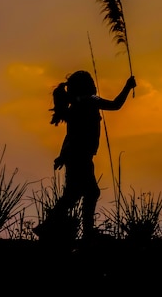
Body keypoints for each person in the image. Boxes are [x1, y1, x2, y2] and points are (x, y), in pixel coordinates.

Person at [34, 70, 136, 240]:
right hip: (81, 156)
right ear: (88, 86)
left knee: (74, 194)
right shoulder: (90, 101)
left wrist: (62, 156)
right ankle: (85, 231)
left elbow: (70, 135)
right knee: (90, 192)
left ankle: (49, 226)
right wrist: (127, 87)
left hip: (75, 156)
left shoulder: (76, 105)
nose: (95, 86)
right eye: (92, 83)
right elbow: (115, 105)